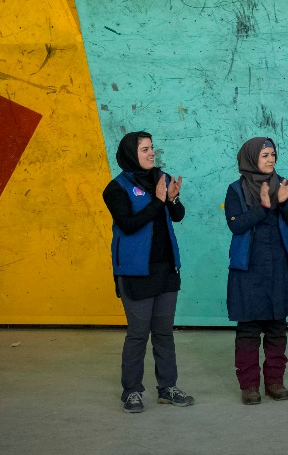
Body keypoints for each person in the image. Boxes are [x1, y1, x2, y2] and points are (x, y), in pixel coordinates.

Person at [103, 131, 194, 413]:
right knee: (138, 334)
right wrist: (158, 201)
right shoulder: (115, 189)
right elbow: (129, 225)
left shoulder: (162, 179)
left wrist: (172, 199)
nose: (151, 153)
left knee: (164, 333)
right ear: (131, 153)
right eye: (144, 149)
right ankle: (131, 391)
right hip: (136, 273)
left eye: (151, 148)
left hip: (166, 269)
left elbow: (177, 215)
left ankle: (168, 388)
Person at [225, 137, 288, 404]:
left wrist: (285, 201)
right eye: (265, 155)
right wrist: (264, 207)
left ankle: (275, 382)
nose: (271, 159)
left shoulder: (282, 185)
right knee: (248, 330)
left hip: (279, 266)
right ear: (251, 159)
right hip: (248, 269)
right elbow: (236, 225)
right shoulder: (236, 190)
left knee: (277, 327)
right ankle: (249, 386)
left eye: (273, 154)